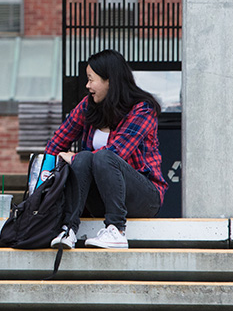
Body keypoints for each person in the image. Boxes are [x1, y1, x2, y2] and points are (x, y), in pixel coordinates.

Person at [46, 49, 167, 249]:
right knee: (86, 158)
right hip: (102, 197)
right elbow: (57, 142)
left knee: (101, 157)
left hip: (144, 196)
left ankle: (117, 230)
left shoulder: (142, 109)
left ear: (109, 80)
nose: (87, 86)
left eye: (91, 79)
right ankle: (68, 230)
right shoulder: (88, 106)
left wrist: (74, 158)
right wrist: (41, 177)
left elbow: (117, 153)